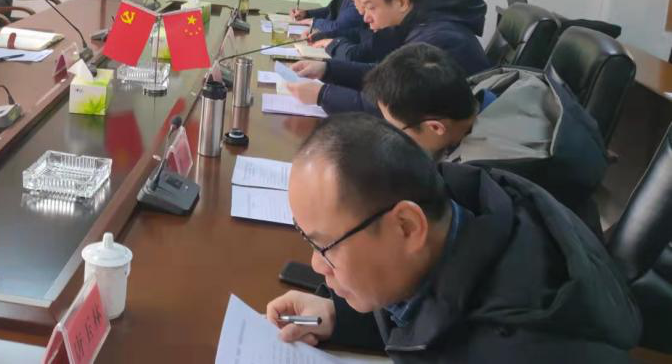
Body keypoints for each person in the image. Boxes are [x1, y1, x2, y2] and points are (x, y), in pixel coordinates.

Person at [265, 114, 641, 362]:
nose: (317, 264)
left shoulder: (516, 349)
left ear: (407, 226)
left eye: (326, 246)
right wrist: (339, 314)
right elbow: (438, 310)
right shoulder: (462, 207)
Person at [365, 43, 608, 224]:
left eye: (396, 129)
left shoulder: (484, 183)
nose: (395, 136)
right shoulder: (498, 89)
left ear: (436, 127)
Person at [287, 0, 490, 114]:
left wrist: (322, 95)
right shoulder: (419, 23)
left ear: (401, 1)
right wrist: (327, 69)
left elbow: (393, 108)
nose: (365, 17)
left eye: (370, 7)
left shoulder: (436, 40)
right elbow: (385, 74)